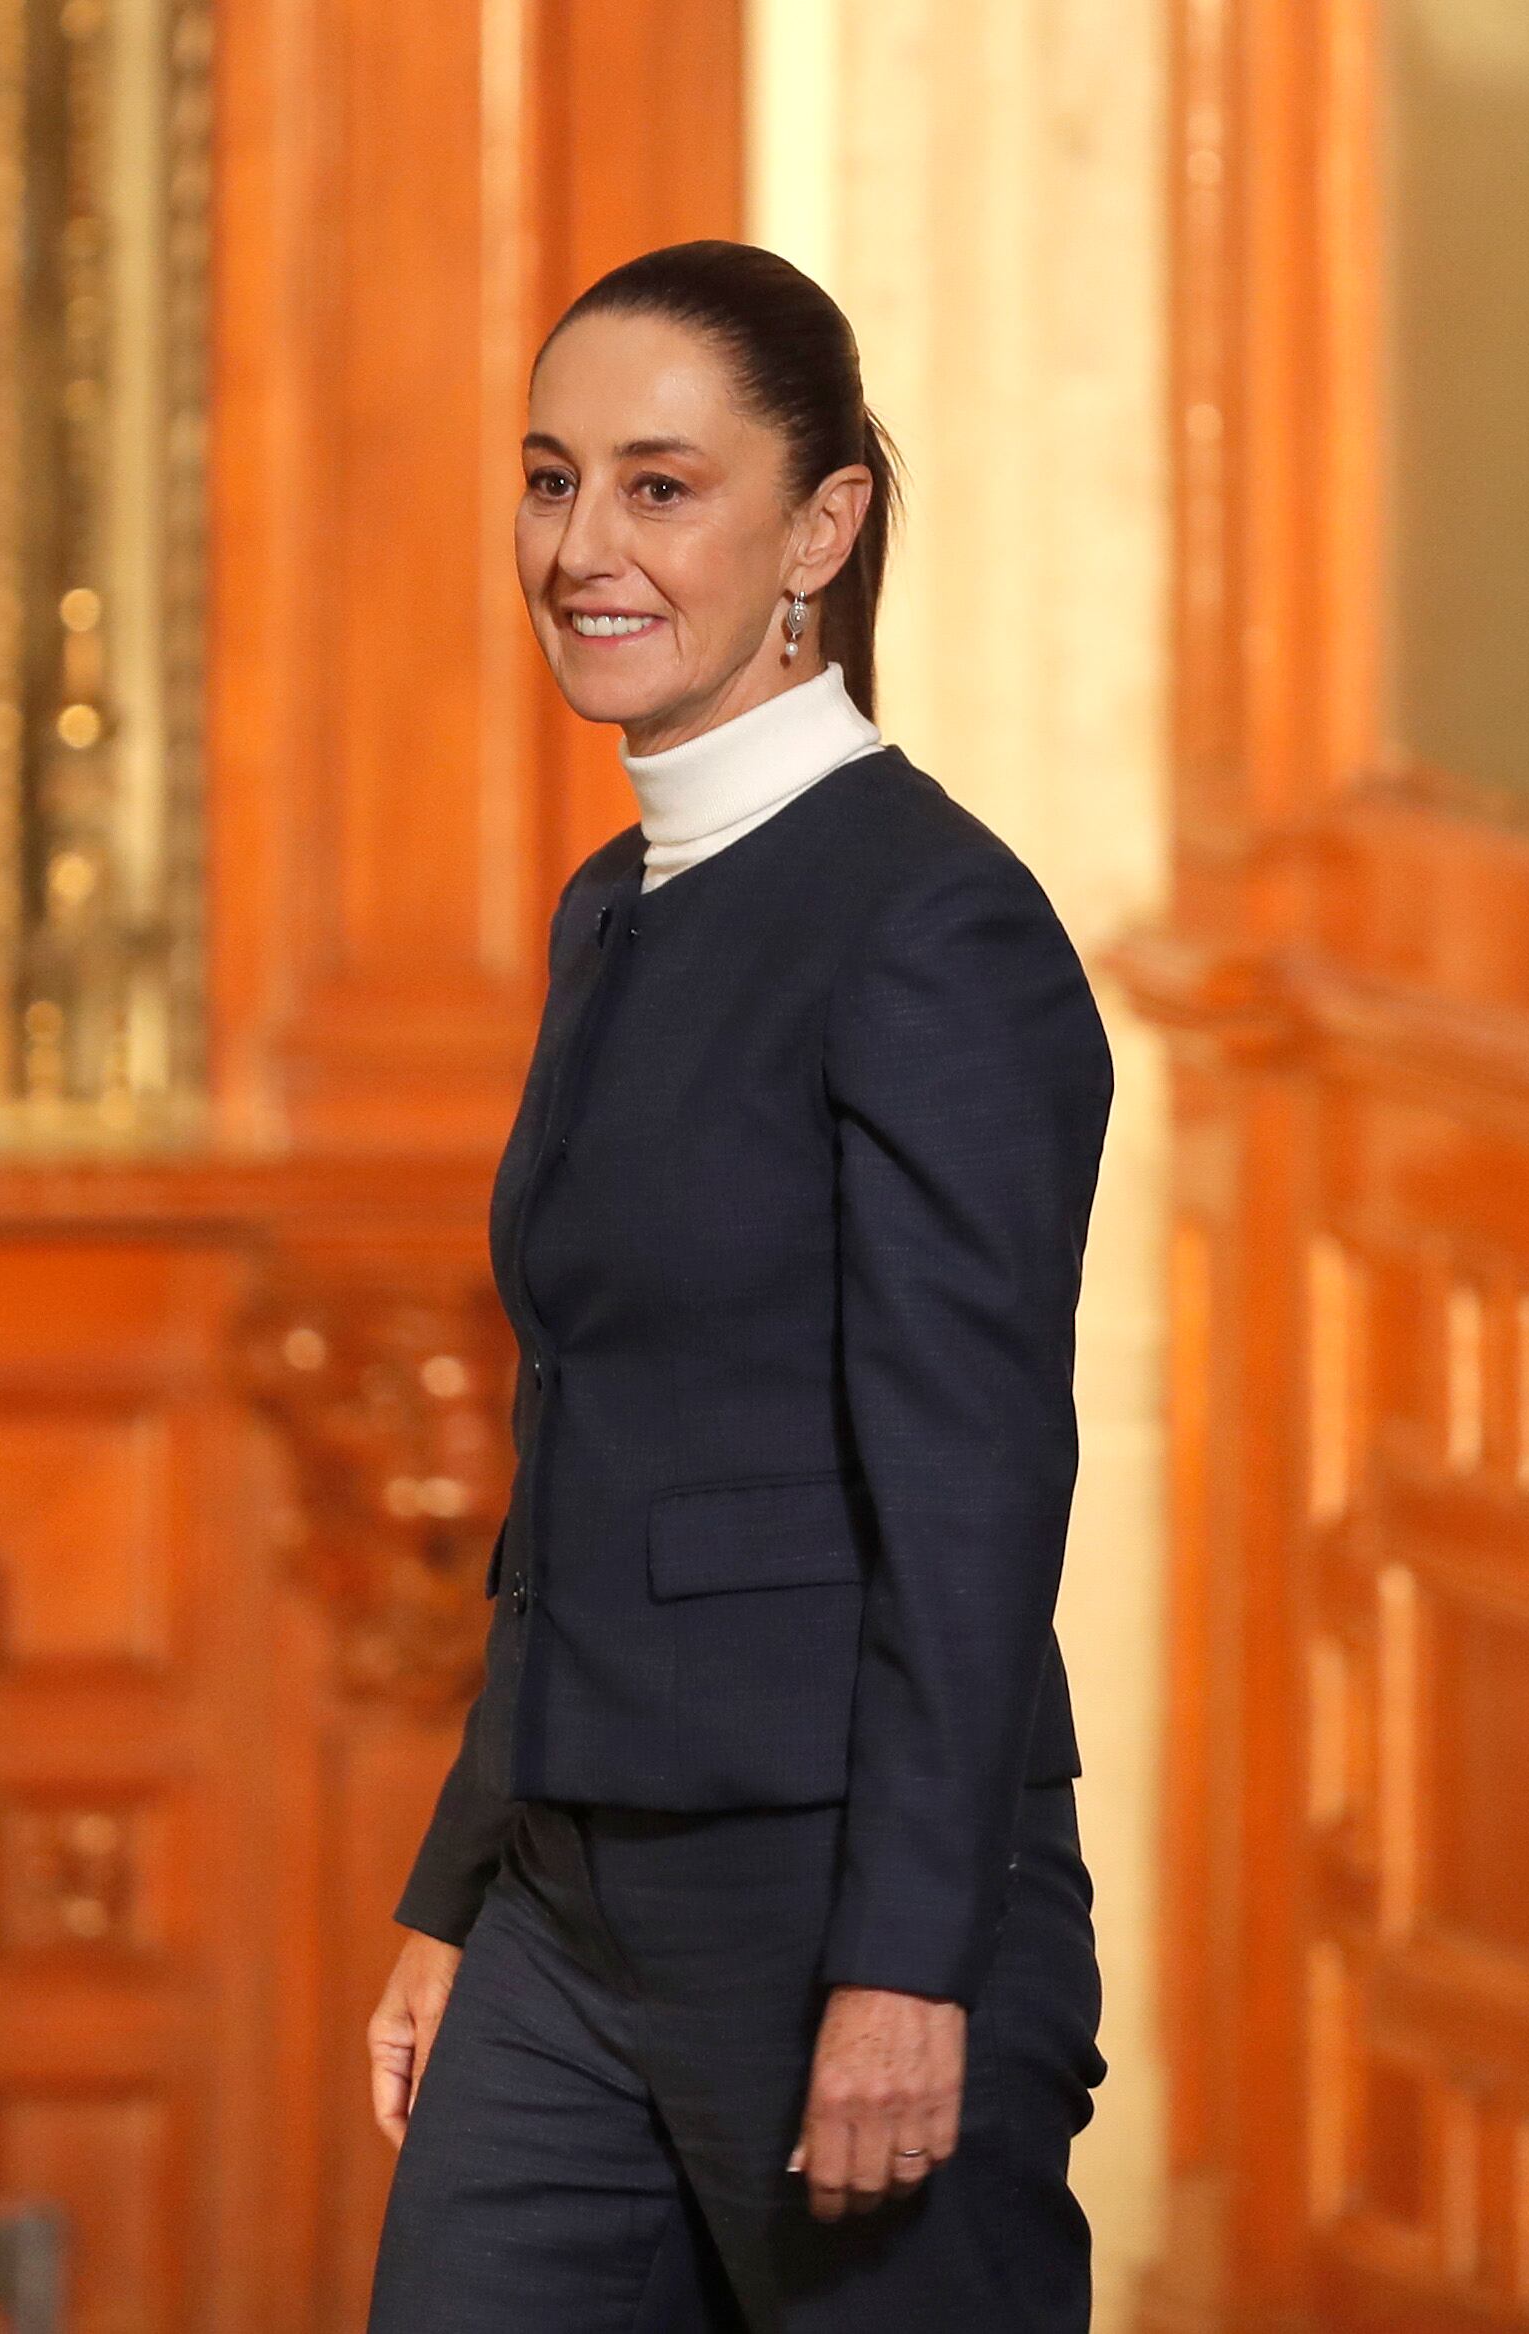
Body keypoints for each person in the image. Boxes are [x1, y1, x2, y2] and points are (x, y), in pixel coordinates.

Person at [358, 240, 1113, 2334]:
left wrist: (905, 1964)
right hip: (570, 1898)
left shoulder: (934, 927)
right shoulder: (613, 906)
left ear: (823, 522)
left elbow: (974, 1507)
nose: (580, 548)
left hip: (829, 1911)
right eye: (547, 479)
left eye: (658, 487)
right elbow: (579, 1448)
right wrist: (460, 1887)